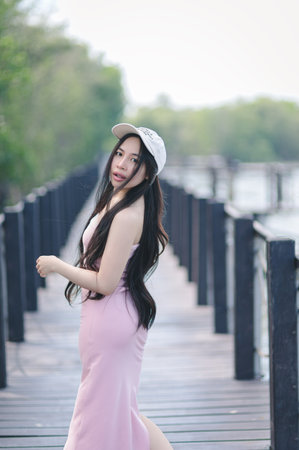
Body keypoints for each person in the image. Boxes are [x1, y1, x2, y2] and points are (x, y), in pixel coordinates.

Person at [36, 123, 173, 450]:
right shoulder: (119, 199)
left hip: (111, 323)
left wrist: (58, 266)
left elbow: (106, 282)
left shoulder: (126, 215)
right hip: (107, 320)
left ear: (149, 172)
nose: (121, 164)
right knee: (118, 413)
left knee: (96, 415)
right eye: (120, 154)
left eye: (134, 161)